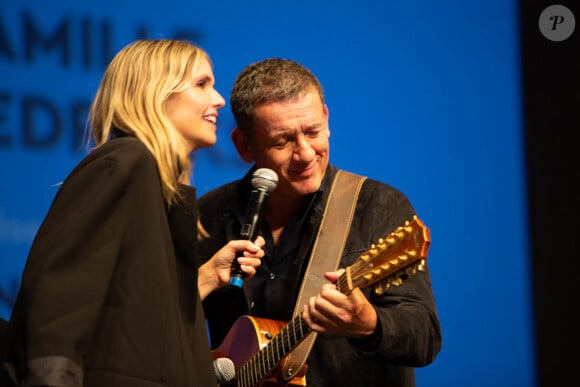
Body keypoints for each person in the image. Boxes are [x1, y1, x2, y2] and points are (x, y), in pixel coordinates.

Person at [3, 39, 265, 387]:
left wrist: (204, 279)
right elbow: (60, 304)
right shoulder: (125, 162)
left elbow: (134, 319)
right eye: (202, 84)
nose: (218, 100)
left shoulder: (154, 182)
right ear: (156, 93)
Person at [198, 58, 442, 387]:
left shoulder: (378, 206)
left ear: (326, 119)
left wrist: (369, 323)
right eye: (282, 141)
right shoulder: (208, 215)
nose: (305, 153)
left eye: (313, 131)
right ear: (244, 145)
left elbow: (425, 336)